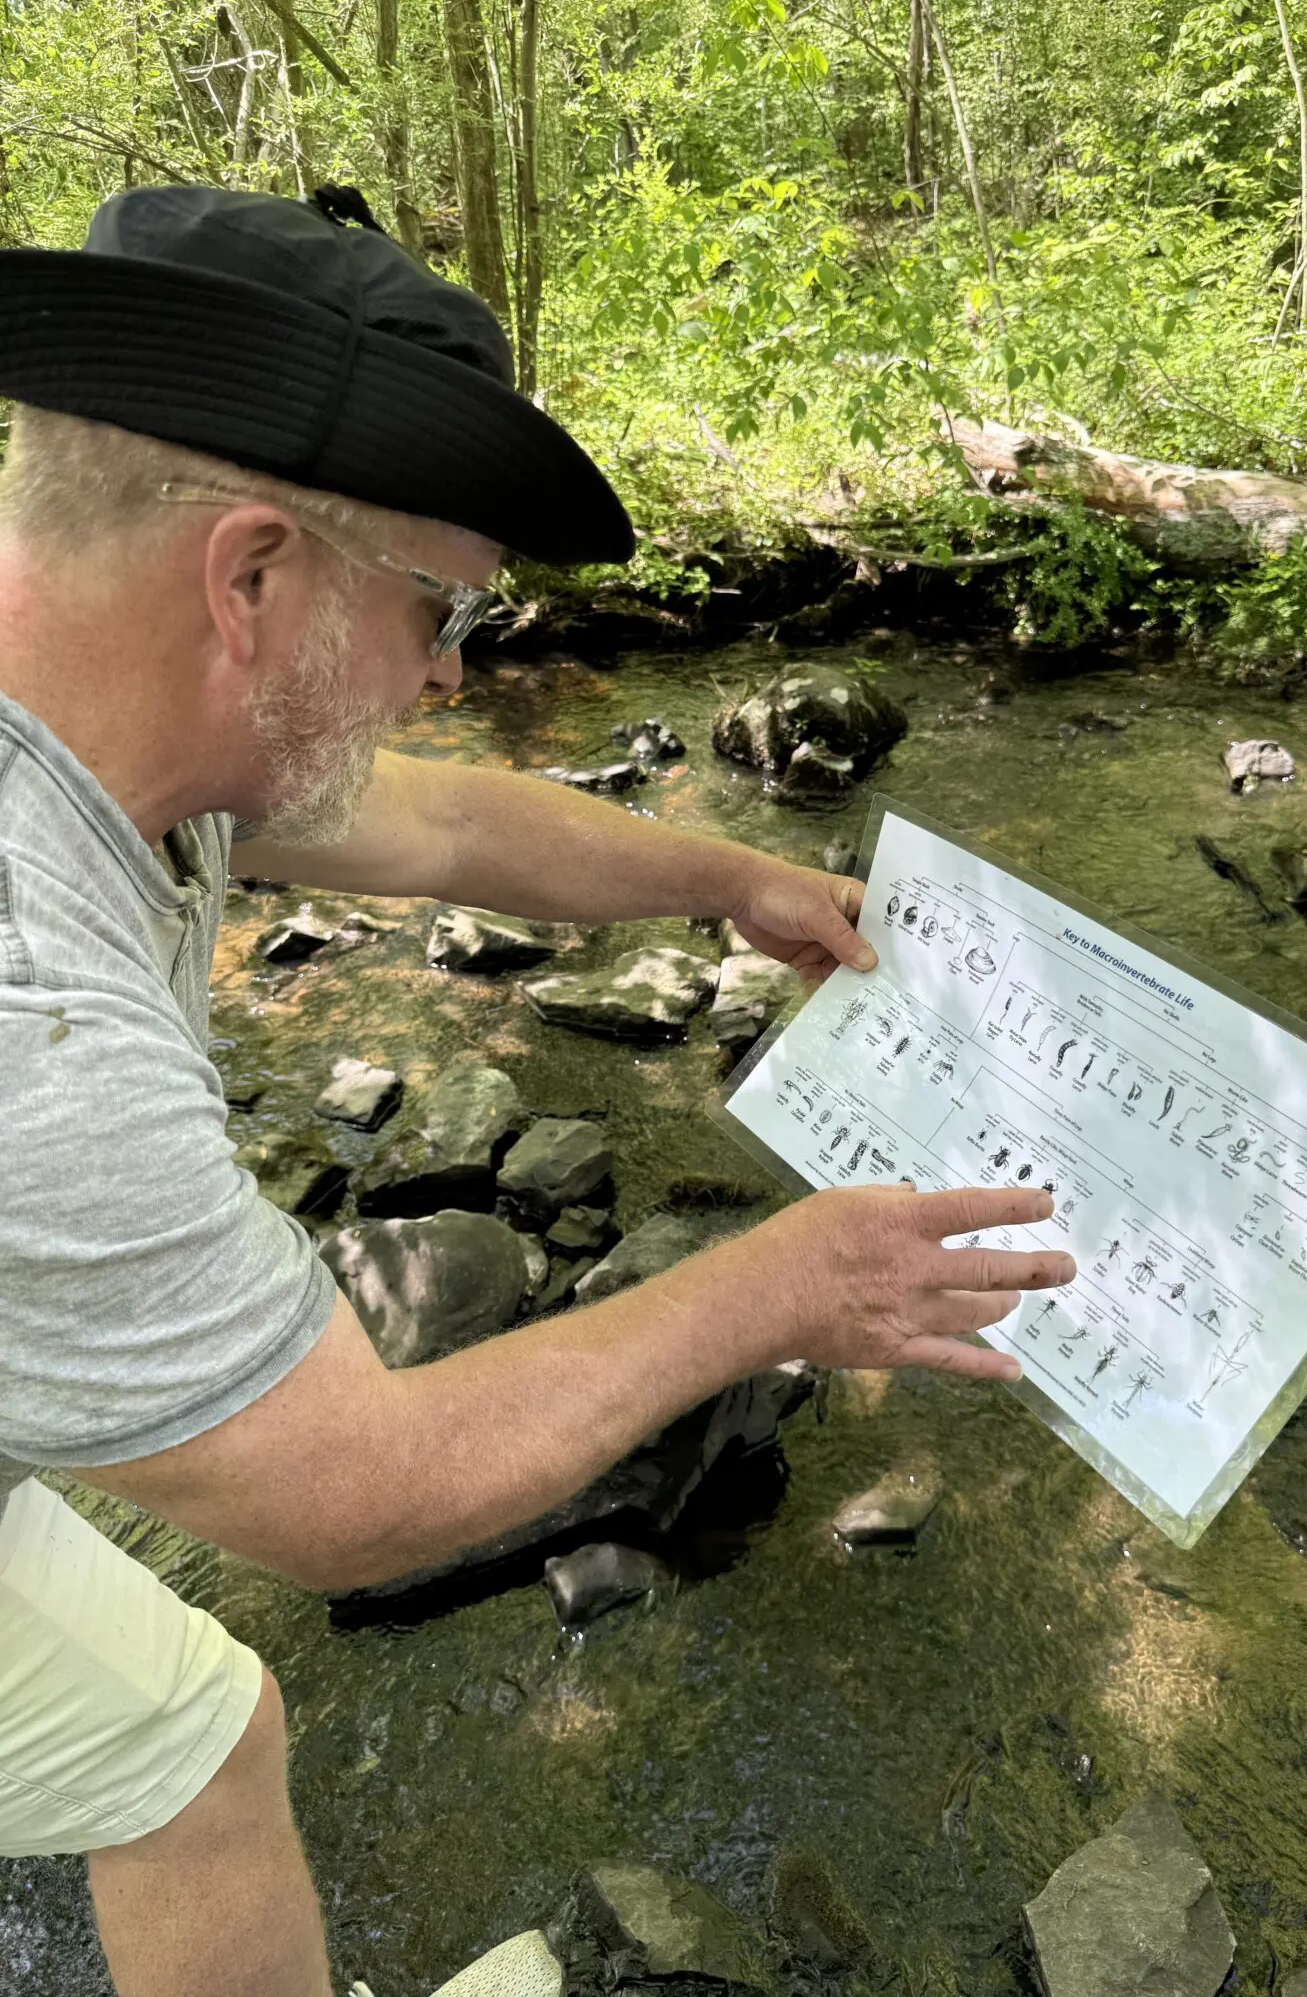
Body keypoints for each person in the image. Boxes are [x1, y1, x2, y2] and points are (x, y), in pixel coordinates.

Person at [0, 185, 1074, 1997]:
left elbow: (437, 818)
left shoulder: (119, 709)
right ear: (249, 577)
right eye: (437, 610)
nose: (442, 673)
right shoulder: (36, 1019)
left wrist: (727, 877)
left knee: (191, 1746)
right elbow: (349, 1490)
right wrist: (781, 1289)